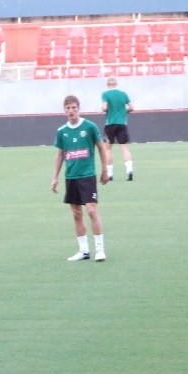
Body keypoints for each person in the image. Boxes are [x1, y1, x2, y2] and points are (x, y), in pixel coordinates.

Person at [51, 95, 111, 262]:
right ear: (64, 110)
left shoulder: (89, 127)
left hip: (87, 176)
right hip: (71, 177)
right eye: (68, 108)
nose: (71, 111)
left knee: (91, 210)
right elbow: (60, 155)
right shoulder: (62, 131)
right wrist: (55, 177)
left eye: (73, 108)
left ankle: (100, 249)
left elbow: (101, 148)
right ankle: (84, 251)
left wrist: (105, 170)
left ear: (79, 108)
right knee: (77, 214)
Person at [101, 76, 134, 180]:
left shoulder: (105, 94)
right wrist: (124, 112)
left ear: (107, 85)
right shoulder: (123, 94)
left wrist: (108, 110)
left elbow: (104, 107)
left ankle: (110, 174)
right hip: (122, 123)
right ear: (116, 84)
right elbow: (131, 107)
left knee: (108, 149)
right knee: (124, 148)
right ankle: (129, 170)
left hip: (110, 123)